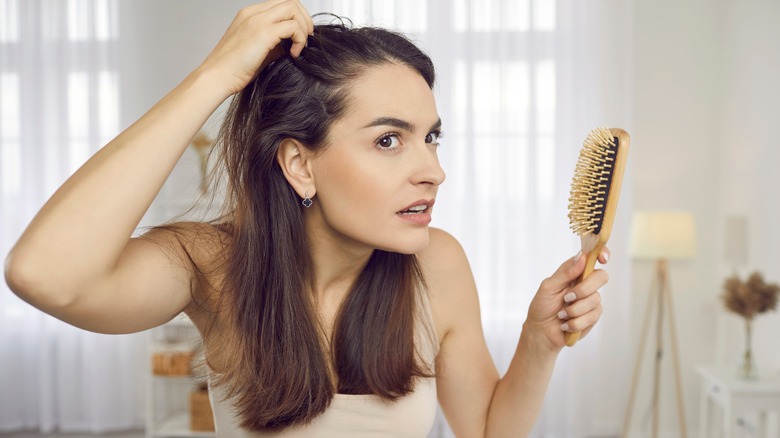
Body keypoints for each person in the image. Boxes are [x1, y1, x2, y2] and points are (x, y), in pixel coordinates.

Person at [4, 1, 609, 436]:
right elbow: (44, 274)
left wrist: (538, 342)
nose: (433, 171)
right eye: (389, 141)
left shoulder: (436, 264)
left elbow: (483, 432)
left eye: (432, 138)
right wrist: (214, 77)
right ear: (299, 164)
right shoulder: (213, 265)